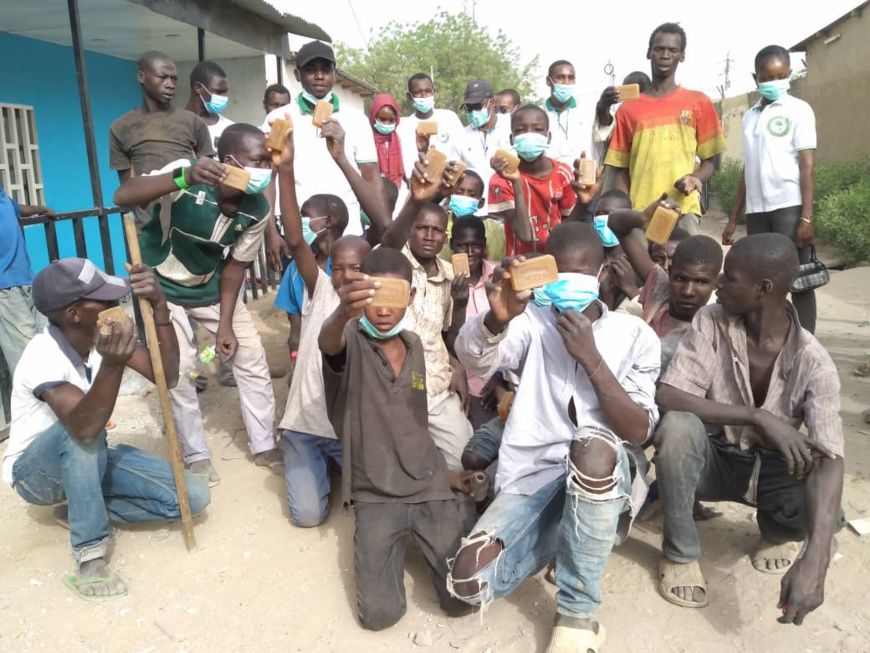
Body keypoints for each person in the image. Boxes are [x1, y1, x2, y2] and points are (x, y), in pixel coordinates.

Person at [448, 222, 661, 652]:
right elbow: (472, 358)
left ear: (600, 276)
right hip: (534, 474)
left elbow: (638, 429)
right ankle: (561, 541)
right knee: (468, 581)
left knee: (592, 446)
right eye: (556, 272)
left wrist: (593, 360)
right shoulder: (530, 323)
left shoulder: (634, 334)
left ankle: (576, 613)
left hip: (603, 472)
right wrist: (495, 318)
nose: (567, 283)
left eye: (579, 272)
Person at [653, 233, 844, 626]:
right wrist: (758, 416)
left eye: (730, 278)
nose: (717, 285)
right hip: (717, 461)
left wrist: (817, 557)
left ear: (764, 289)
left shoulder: (814, 362)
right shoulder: (711, 321)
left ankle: (775, 532)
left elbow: (831, 457)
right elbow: (670, 395)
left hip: (775, 470)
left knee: (825, 504)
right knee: (677, 429)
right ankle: (680, 553)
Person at [2, 258, 210, 599]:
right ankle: (90, 558)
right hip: (36, 474)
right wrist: (112, 364)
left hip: (86, 456)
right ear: (74, 314)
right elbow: (84, 427)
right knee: (86, 435)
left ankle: (80, 508)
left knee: (195, 497)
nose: (116, 304)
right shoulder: (42, 354)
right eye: (105, 300)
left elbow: (167, 375)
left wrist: (160, 308)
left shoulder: (103, 337)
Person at [319, 246, 482, 631]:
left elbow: (411, 428)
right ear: (361, 294)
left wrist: (446, 478)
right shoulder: (350, 341)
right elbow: (329, 343)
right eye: (375, 295)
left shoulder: (413, 346)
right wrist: (344, 310)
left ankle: (452, 513)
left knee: (462, 602)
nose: (384, 308)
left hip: (425, 481)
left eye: (395, 295)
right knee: (380, 615)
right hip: (375, 492)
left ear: (410, 297)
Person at [113, 123, 281, 485]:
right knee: (182, 367)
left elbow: (236, 265)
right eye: (258, 159)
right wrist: (181, 177)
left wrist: (224, 326)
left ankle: (265, 443)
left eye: (268, 160)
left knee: (249, 354)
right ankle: (196, 454)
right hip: (161, 287)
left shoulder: (258, 208)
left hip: (211, 285)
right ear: (230, 161)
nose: (266, 168)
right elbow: (123, 196)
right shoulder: (188, 175)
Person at [272, 129, 371, 526]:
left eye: (357, 268)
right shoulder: (322, 287)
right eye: (341, 267)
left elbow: (387, 226)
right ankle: (299, 456)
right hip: (305, 424)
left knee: (375, 499)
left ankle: (332, 465)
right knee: (309, 517)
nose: (346, 275)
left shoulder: (380, 306)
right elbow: (296, 240)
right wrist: (286, 169)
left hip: (346, 429)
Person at [381, 165, 474, 470]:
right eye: (422, 227)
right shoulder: (395, 261)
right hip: (395, 383)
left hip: (436, 382)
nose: (430, 236)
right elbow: (389, 242)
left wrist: (460, 305)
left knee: (462, 460)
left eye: (437, 230)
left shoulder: (451, 274)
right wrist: (415, 200)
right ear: (410, 229)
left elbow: (451, 338)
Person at [722, 45, 818, 334]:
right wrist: (733, 216)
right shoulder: (750, 116)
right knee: (761, 277)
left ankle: (804, 339)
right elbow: (747, 169)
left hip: (789, 206)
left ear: (788, 74)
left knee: (797, 277)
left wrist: (807, 218)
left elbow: (807, 167)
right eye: (767, 77)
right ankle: (767, 334)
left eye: (780, 75)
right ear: (756, 78)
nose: (774, 82)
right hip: (758, 211)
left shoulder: (798, 110)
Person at [604, 23, 726, 235]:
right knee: (643, 268)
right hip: (641, 212)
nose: (665, 55)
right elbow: (620, 169)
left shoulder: (698, 102)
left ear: (682, 56)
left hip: (684, 209)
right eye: (659, 49)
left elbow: (710, 161)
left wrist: (695, 179)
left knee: (687, 266)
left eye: (673, 50)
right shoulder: (628, 109)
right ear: (649, 52)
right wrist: (627, 211)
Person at [261, 40, 387, 240]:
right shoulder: (278, 118)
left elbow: (371, 177)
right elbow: (269, 178)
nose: (319, 76)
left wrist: (381, 226)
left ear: (335, 74)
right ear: (297, 74)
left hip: (349, 231)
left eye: (326, 69)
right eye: (310, 69)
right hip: (298, 232)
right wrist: (271, 233)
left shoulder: (356, 119)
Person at [488, 105, 586, 256]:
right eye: (520, 130)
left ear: (548, 136)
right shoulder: (501, 180)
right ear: (511, 138)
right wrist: (517, 182)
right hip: (519, 263)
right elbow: (525, 235)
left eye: (537, 129)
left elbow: (569, 223)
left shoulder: (562, 173)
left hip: (557, 259)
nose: (529, 135)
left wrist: (584, 202)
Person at [110, 52, 214, 188]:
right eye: (163, 77)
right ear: (141, 77)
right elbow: (126, 187)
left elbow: (208, 176)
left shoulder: (193, 122)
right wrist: (128, 209)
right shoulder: (121, 127)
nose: (170, 84)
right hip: (148, 207)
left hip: (188, 206)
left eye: (174, 79)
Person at [274, 194, 347, 375]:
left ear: (328, 221)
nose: (299, 222)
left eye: (305, 216)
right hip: (310, 362)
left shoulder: (353, 266)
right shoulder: (294, 271)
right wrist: (295, 361)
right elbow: (295, 329)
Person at [0, 185, 52, 439]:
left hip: (24, 281)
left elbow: (18, 209)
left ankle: (54, 414)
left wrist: (41, 209)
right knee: (25, 354)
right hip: (4, 289)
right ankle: (35, 426)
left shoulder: (2, 197)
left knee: (45, 342)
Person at [447, 216, 499, 428]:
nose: (469, 252)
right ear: (451, 245)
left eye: (475, 245)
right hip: (465, 383)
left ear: (484, 247)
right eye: (462, 245)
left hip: (499, 380)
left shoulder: (499, 276)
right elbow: (451, 345)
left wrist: (499, 378)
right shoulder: (444, 280)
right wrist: (459, 305)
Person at [396, 73, 465, 181]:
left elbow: (463, 153)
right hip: (417, 186)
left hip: (448, 185)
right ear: (409, 96)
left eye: (428, 91)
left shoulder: (450, 118)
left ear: (434, 92)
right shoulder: (403, 127)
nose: (424, 96)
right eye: (418, 92)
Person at [457, 80, 512, 201]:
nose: (472, 112)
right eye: (469, 108)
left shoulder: (511, 128)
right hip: (474, 204)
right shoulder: (462, 136)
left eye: (476, 106)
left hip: (505, 202)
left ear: (491, 102)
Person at [437, 169, 506, 263]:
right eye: (459, 193)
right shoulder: (439, 226)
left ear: (480, 203)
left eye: (471, 194)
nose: (464, 197)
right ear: (450, 197)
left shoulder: (494, 229)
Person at [542, 59, 593, 167]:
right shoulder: (538, 115)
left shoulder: (588, 112)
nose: (566, 82)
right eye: (560, 77)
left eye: (571, 78)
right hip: (550, 180)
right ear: (548, 81)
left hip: (584, 179)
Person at [592, 71, 652, 161]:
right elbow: (605, 134)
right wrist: (603, 107)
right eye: (629, 92)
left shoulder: (660, 116)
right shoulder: (621, 115)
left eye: (640, 92)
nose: (635, 99)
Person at [184, 60, 233, 150]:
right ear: (198, 88)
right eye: (219, 92)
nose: (224, 97)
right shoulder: (177, 125)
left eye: (225, 92)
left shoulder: (229, 129)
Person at [368, 93, 405, 189]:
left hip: (396, 190)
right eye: (382, 119)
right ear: (373, 117)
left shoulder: (400, 139)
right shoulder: (366, 139)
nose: (387, 124)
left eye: (391, 120)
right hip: (371, 190)